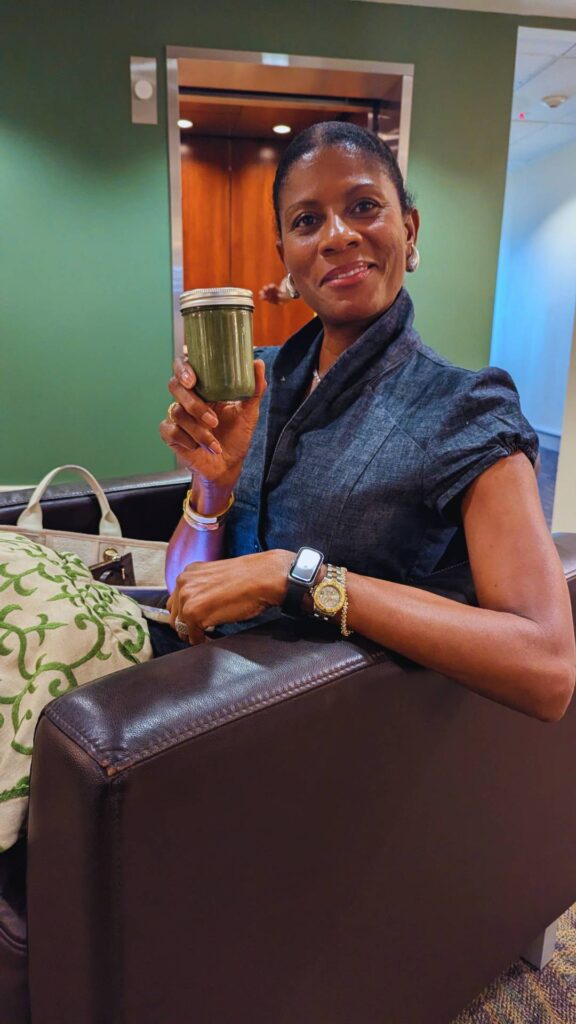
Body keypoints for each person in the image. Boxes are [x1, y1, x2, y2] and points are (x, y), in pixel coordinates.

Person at [159, 121, 575, 722]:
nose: (336, 236)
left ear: (408, 230)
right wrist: (214, 487)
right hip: (194, 685)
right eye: (306, 221)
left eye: (363, 207)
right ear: (287, 259)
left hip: (307, 733)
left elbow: (547, 667)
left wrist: (297, 577)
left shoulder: (464, 408)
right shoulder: (258, 383)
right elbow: (187, 591)